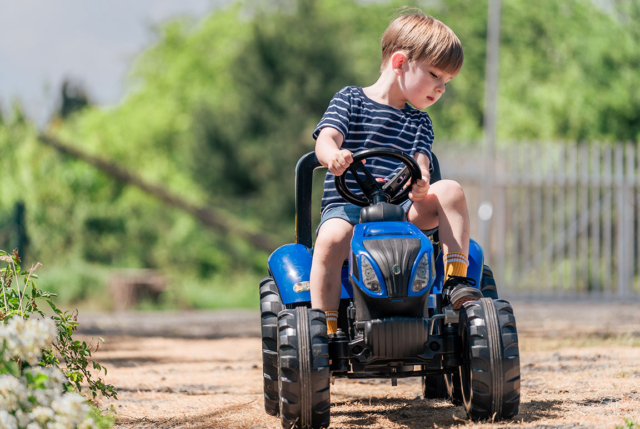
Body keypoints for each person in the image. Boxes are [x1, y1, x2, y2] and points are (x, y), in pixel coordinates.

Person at [310, 9, 482, 335]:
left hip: (401, 213)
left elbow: (421, 162)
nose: (441, 88)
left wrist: (421, 183)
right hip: (348, 211)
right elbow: (328, 138)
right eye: (435, 75)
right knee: (331, 238)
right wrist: (332, 156)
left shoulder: (419, 121)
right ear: (400, 63)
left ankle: (455, 282)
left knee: (451, 190)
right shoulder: (350, 100)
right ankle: (324, 329)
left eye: (446, 82)